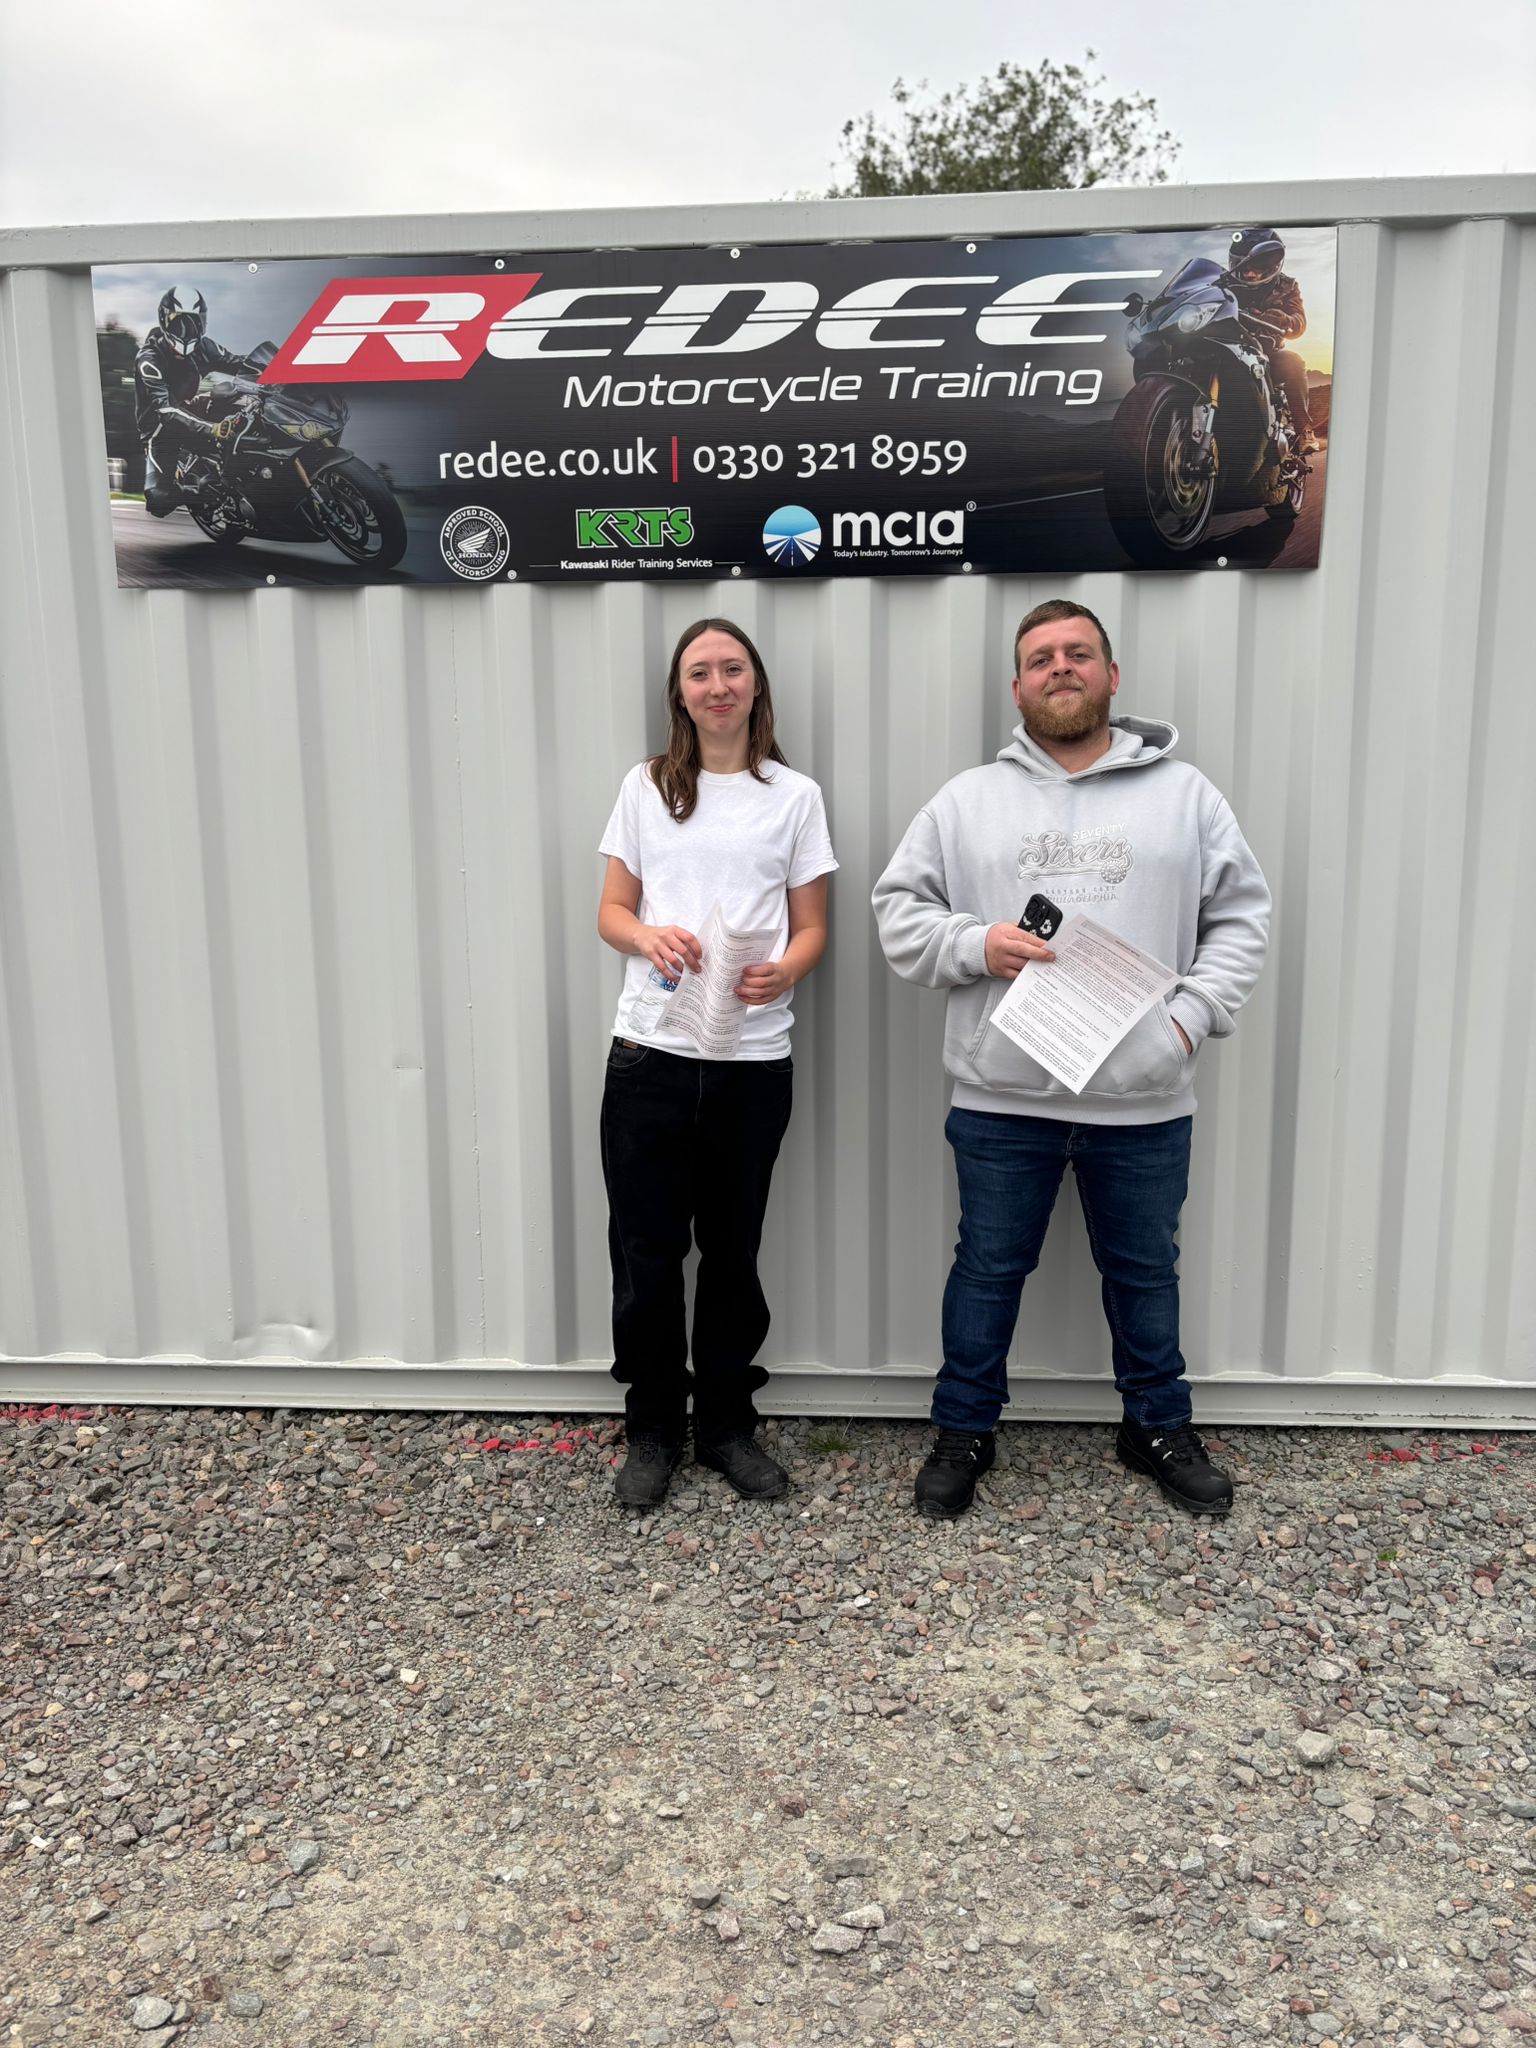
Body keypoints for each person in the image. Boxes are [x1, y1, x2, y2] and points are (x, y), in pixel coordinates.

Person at [872, 600, 1270, 1521]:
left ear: (1111, 676)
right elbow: (899, 911)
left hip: (1143, 1100)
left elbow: (1241, 917)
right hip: (1002, 1097)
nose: (1061, 667)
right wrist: (976, 945)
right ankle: (964, 1430)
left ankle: (1157, 1426)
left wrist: (1188, 1021)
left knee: (1145, 1273)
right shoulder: (968, 800)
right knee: (986, 1270)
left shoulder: (1187, 796)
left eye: (1079, 653)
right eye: (1042, 657)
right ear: (1017, 687)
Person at [597, 618, 836, 1509]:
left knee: (733, 1253)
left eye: (733, 669)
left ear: (756, 684)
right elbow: (611, 911)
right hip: (650, 1055)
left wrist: (788, 970)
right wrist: (647, 935)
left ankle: (728, 1426)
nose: (718, 685)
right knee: (647, 1253)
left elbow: (813, 926)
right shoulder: (646, 786)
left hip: (750, 1061)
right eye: (700, 673)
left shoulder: (795, 797)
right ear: (680, 693)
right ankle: (654, 1426)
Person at [134, 288, 259, 517]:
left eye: (194, 322)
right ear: (164, 319)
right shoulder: (149, 359)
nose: (187, 330)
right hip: (160, 429)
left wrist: (278, 367)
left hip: (193, 408)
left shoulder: (205, 347)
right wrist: (212, 429)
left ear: (203, 322)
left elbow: (239, 363)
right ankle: (199, 495)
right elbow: (166, 411)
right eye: (178, 322)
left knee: (238, 404)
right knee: (158, 501)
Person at [1224, 226, 1316, 456]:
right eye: (1243, 267)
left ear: (1271, 266)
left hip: (1266, 353)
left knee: (1293, 361)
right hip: (1226, 348)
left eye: (1256, 268)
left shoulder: (1287, 286)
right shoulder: (1223, 283)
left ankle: (1304, 430)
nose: (1249, 274)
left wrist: (1284, 319)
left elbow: (1299, 323)